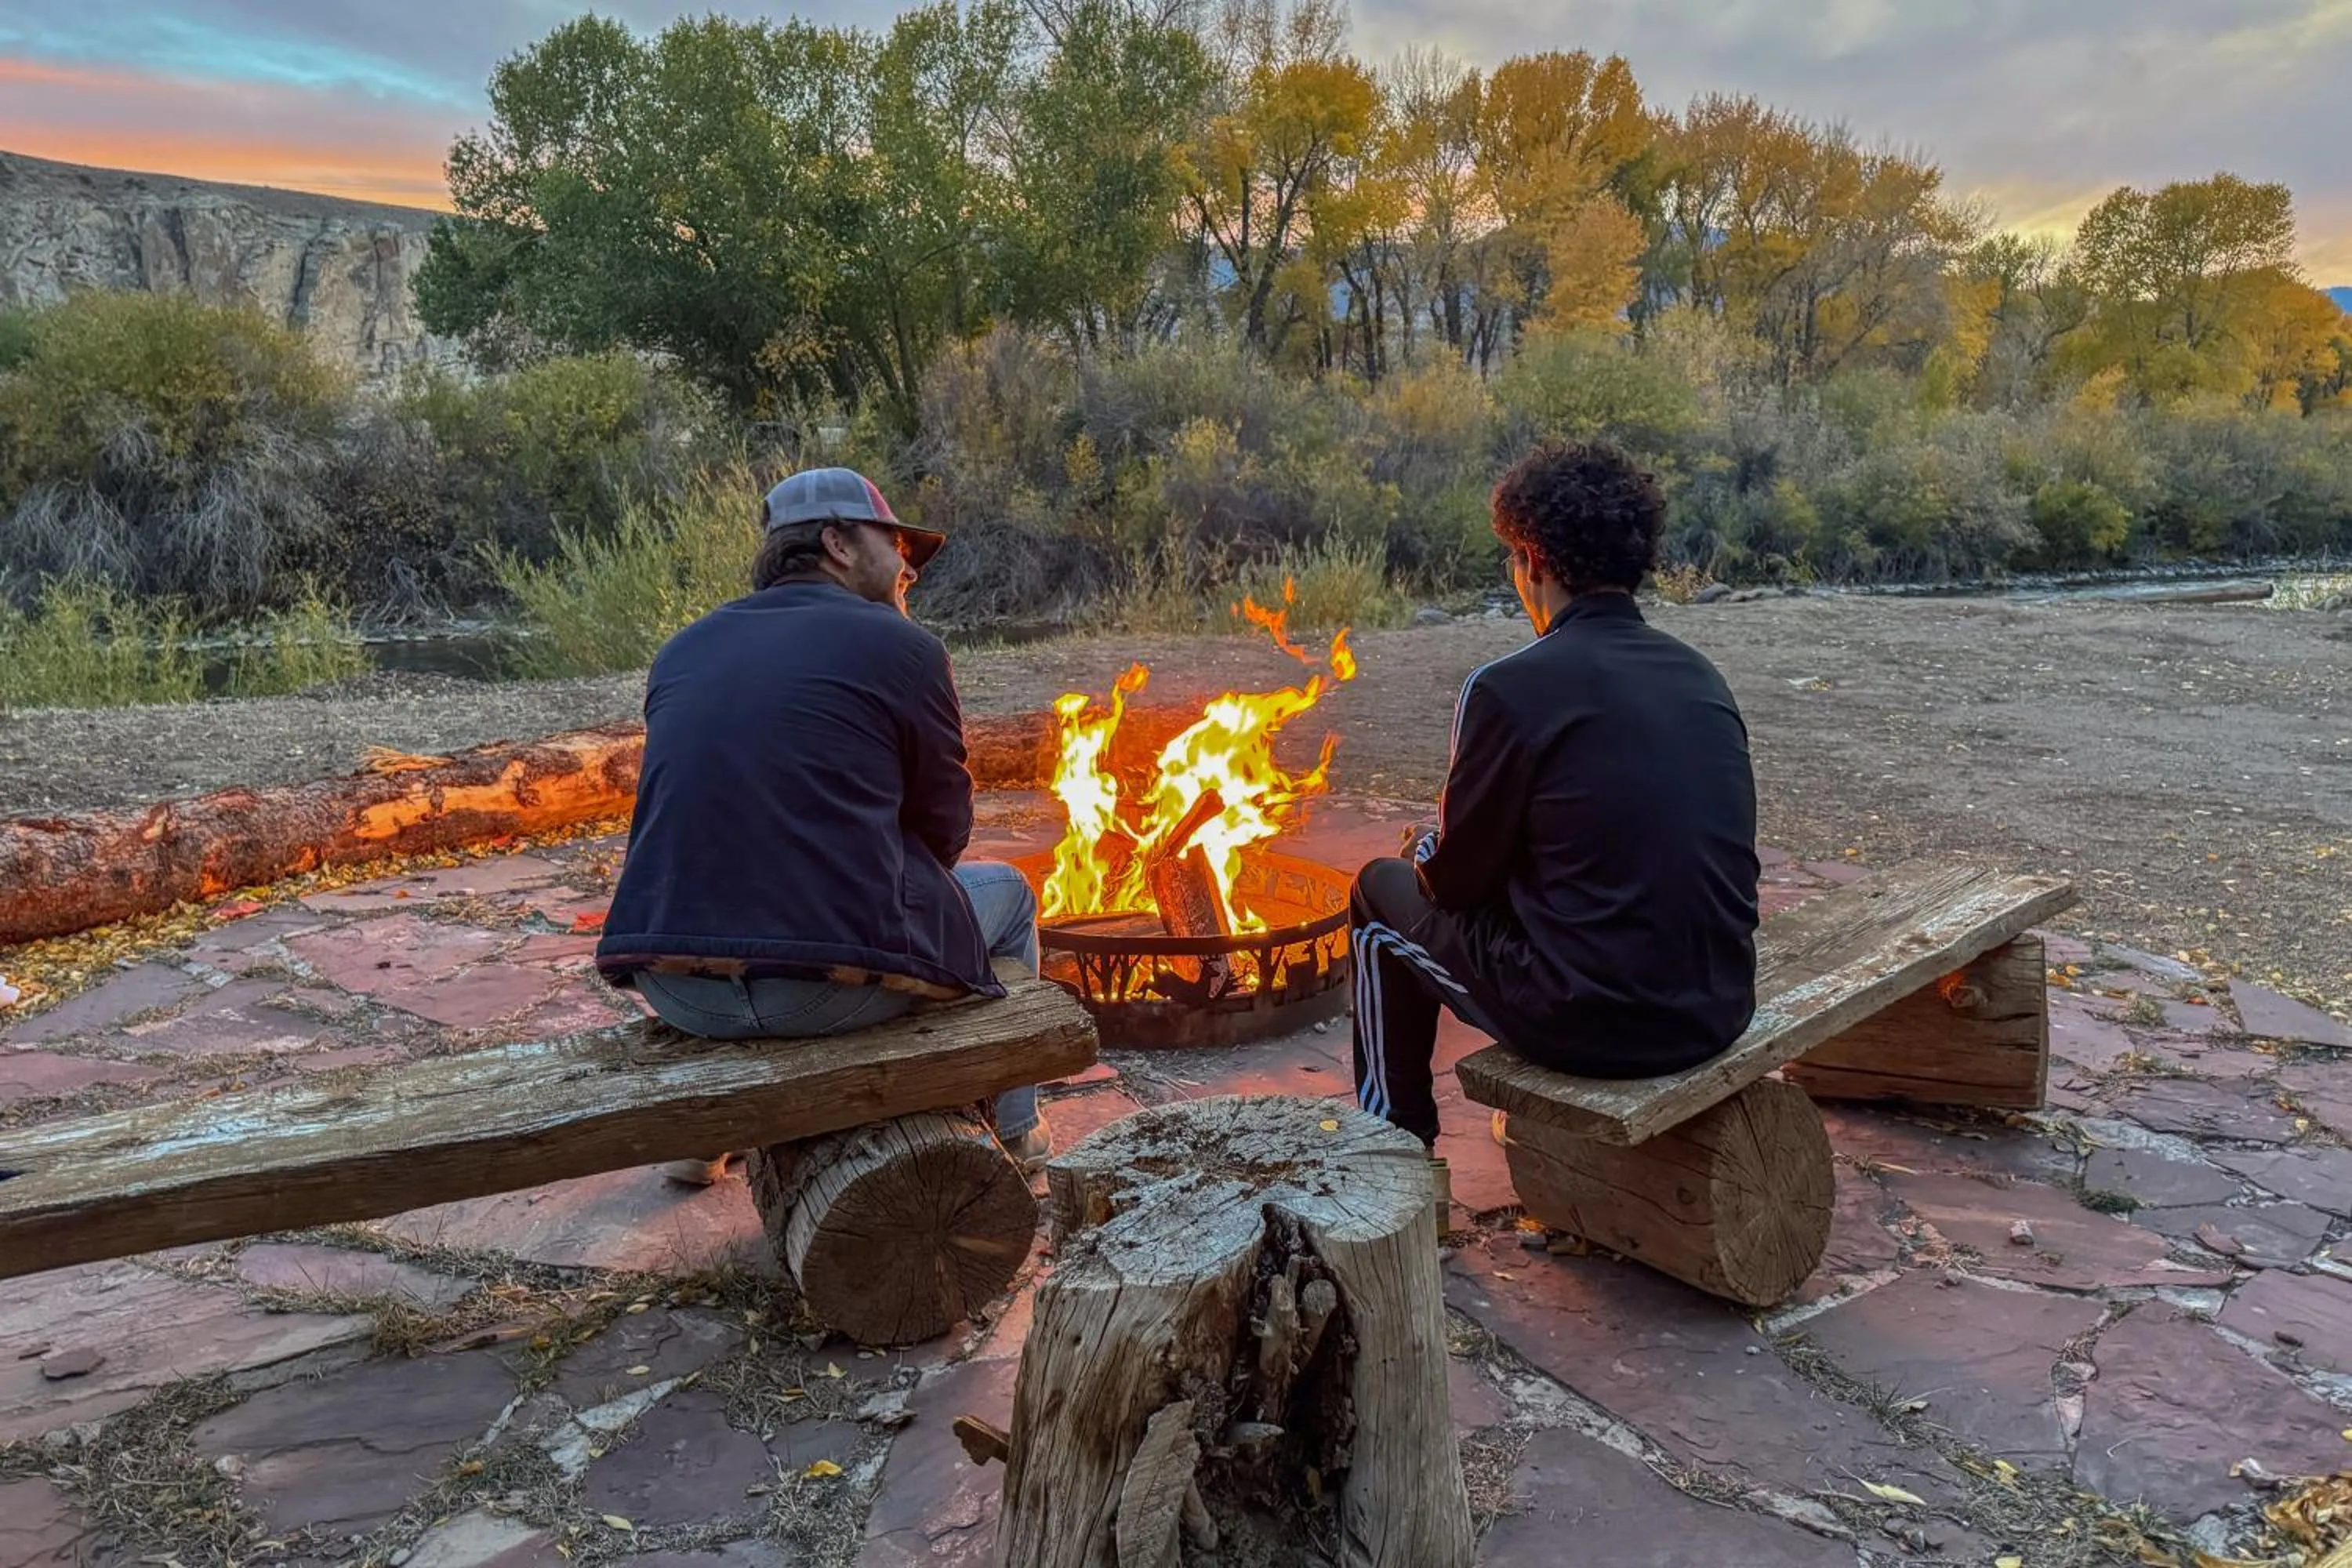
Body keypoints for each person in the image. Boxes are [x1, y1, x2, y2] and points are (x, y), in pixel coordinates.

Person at [593, 466, 1051, 1185]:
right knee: (1013, 894)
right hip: (822, 989)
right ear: (838, 543)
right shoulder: (904, 648)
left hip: (676, 986)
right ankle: (1020, 1139)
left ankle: (705, 1136)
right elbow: (942, 833)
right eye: (896, 543)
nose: (908, 566)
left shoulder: (682, 649)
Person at [1351, 439, 1760, 1148]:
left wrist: (1423, 848)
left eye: (1513, 560)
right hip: (1717, 1009)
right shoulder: (1699, 675)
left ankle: (1395, 1145)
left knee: (1379, 891)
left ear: (1532, 561)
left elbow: (1453, 886)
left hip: (1593, 1025)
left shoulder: (1509, 687)